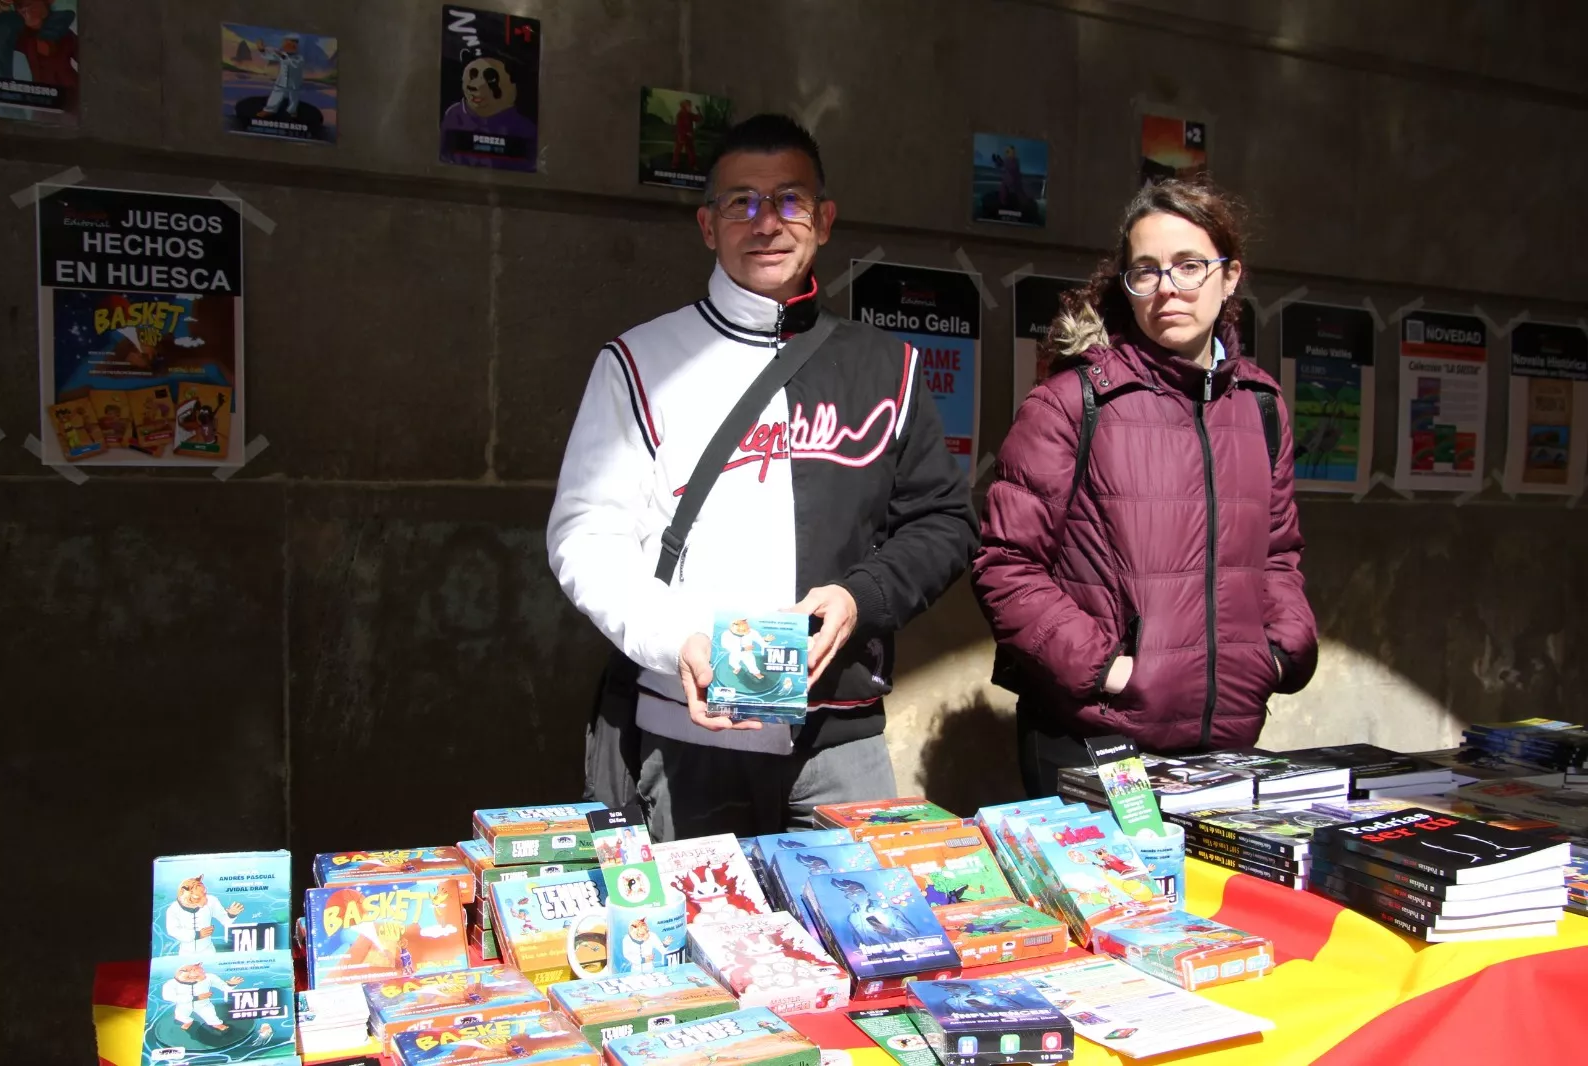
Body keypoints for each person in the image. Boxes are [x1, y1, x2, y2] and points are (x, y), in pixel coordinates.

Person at [548, 113, 977, 841]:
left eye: (790, 200)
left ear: (825, 220)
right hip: (690, 737)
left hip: (842, 743)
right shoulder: (638, 361)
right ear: (707, 225)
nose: (766, 222)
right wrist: (673, 636)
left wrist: (859, 596)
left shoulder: (888, 367)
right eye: (741, 202)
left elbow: (944, 523)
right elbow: (584, 537)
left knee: (867, 949)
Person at [972, 179, 1317, 798]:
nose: (1168, 287)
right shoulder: (1072, 402)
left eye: (1190, 266)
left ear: (1230, 275)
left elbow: (1278, 553)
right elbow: (1006, 564)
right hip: (1096, 740)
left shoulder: (1262, 407)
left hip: (1226, 738)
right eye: (1147, 271)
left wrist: (1280, 651)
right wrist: (1105, 668)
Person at [255, 36, 305, 119]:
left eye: (290, 44)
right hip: (281, 80)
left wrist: (282, 56)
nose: (286, 46)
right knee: (276, 93)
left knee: (293, 97)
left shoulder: (299, 58)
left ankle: (292, 110)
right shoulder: (282, 54)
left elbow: (294, 65)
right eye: (285, 44)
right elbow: (271, 55)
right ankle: (269, 110)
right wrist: (262, 50)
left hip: (294, 82)